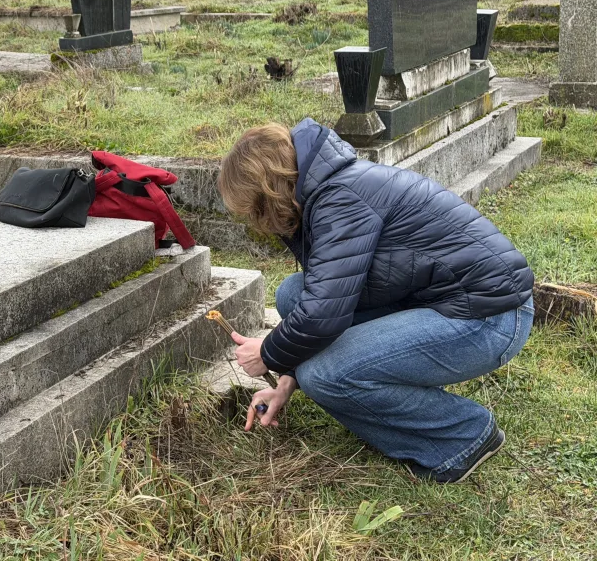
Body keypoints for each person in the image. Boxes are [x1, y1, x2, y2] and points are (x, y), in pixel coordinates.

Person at [219, 119, 534, 483]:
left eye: (252, 210)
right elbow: (326, 296)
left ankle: (464, 436)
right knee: (293, 293)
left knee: (324, 375)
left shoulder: (340, 199)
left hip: (490, 318)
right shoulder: (327, 189)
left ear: (268, 191)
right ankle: (399, 398)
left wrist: (269, 353)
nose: (257, 222)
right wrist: (284, 382)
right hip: (439, 299)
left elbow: (323, 315)